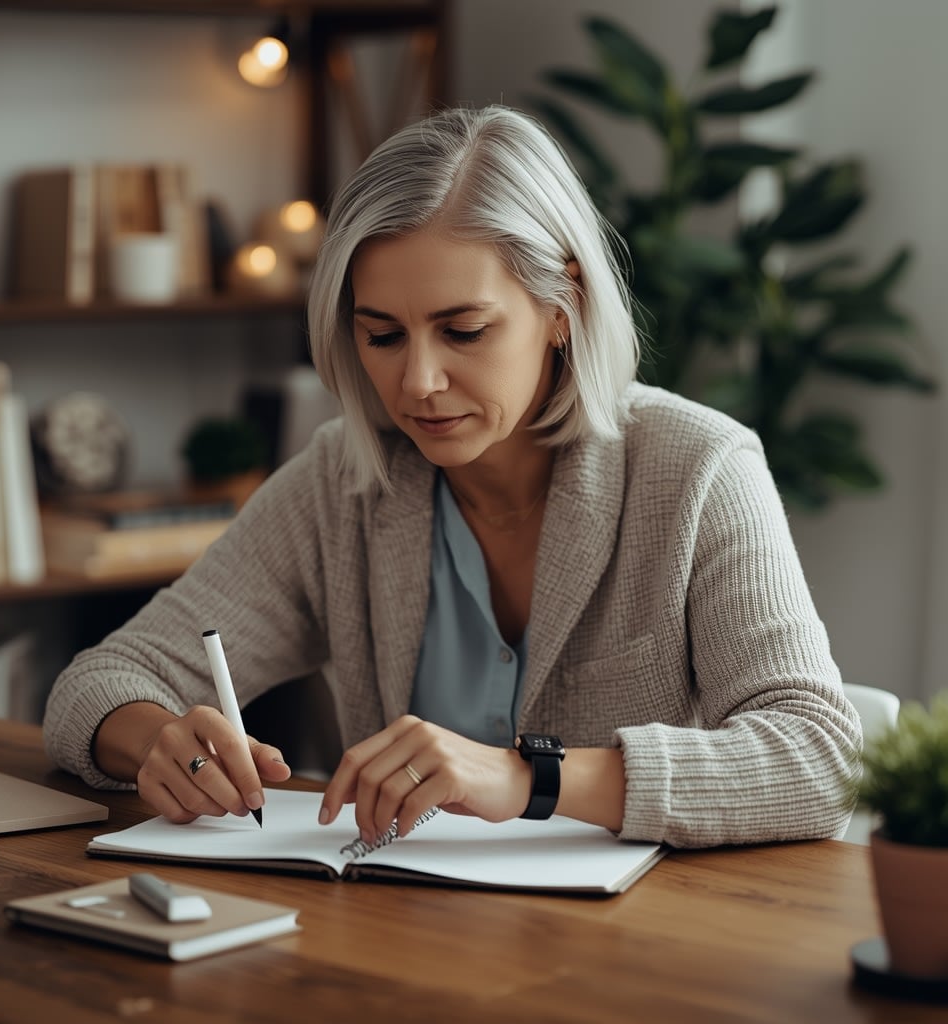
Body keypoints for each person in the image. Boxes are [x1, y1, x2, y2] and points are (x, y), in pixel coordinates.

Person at [43, 105, 862, 849]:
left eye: (462, 331)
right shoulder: (345, 481)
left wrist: (527, 778)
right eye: (383, 336)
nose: (418, 383)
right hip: (401, 946)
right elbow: (98, 684)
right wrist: (157, 740)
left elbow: (821, 758)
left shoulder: (697, 470)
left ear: (560, 307)